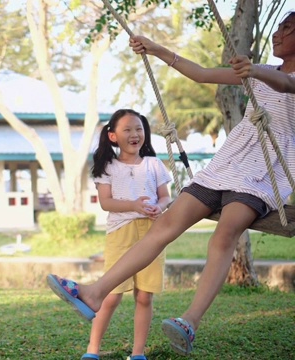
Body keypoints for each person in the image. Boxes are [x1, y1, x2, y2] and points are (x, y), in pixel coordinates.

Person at [47, 11, 295, 357]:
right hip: (226, 164)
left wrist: (256, 71)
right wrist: (156, 49)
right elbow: (202, 74)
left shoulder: (268, 74)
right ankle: (94, 292)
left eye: (288, 28)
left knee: (225, 233)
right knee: (163, 226)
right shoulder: (259, 72)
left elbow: (287, 84)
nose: (279, 33)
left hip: (263, 173)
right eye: (279, 26)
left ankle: (190, 322)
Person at [48, 109, 171, 360]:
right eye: (127, 130)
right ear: (113, 136)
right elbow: (106, 203)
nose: (135, 134)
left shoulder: (154, 164)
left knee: (145, 296)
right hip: (120, 234)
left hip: (152, 233)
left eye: (139, 128)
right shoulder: (107, 167)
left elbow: (166, 196)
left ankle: (138, 353)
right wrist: (134, 205)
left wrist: (159, 206)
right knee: (111, 295)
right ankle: (92, 350)